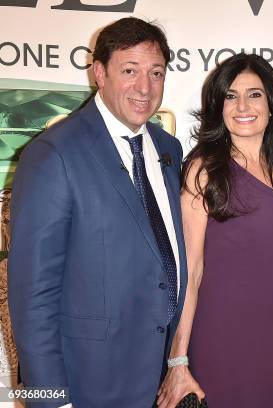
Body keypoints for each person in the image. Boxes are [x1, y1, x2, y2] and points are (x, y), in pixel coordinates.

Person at [8, 17, 187, 407]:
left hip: (160, 381)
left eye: (156, 73)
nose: (145, 87)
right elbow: (32, 296)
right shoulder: (53, 153)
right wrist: (51, 401)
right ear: (99, 73)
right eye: (130, 71)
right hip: (87, 386)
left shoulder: (169, 149)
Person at [156, 53, 273, 408]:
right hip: (221, 338)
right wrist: (178, 359)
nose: (242, 105)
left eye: (254, 94)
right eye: (230, 95)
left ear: (272, 104)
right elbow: (190, 271)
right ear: (218, 106)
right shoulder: (204, 169)